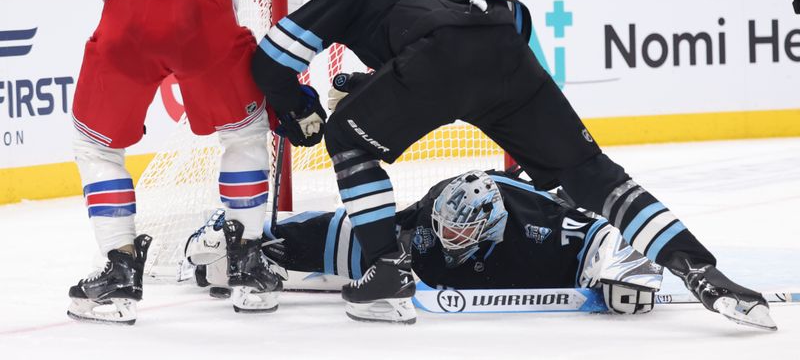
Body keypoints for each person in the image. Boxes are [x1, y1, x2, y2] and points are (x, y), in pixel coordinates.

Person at [249, 0, 776, 330]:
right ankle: (702, 270)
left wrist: (300, 109)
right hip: (503, 46)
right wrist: (379, 86)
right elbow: (475, 33)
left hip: (440, 55)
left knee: (347, 137)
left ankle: (388, 269)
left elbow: (270, 59)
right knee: (593, 175)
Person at [66, 0, 361, 325]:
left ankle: (118, 273)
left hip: (122, 0)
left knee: (96, 145)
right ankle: (246, 262)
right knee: (243, 135)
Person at [187, 169, 666, 319]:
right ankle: (247, 237)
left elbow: (609, 231)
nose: (449, 239)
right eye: (446, 228)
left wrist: (623, 270)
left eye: (459, 232)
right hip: (429, 260)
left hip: (518, 248)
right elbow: (361, 229)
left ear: (487, 225)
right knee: (354, 238)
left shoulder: (542, 222)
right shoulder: (432, 217)